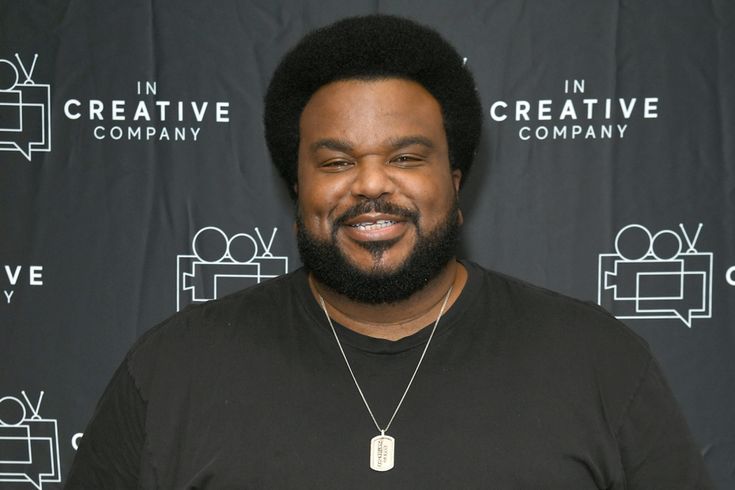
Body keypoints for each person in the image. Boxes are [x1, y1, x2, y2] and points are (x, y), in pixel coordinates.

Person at [65, 15, 713, 489]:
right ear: (299, 187)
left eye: (405, 157)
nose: (371, 185)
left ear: (454, 181)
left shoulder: (596, 361)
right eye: (336, 160)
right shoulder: (173, 369)